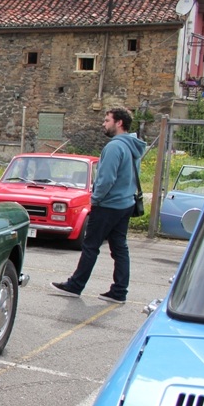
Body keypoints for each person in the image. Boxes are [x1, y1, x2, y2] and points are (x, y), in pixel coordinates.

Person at [52, 107, 146, 304]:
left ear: (119, 123)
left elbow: (106, 179)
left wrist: (95, 199)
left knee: (91, 246)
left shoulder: (114, 147)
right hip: (125, 204)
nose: (104, 124)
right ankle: (119, 291)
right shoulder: (133, 145)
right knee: (120, 248)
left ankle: (75, 285)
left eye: (107, 120)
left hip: (108, 205)